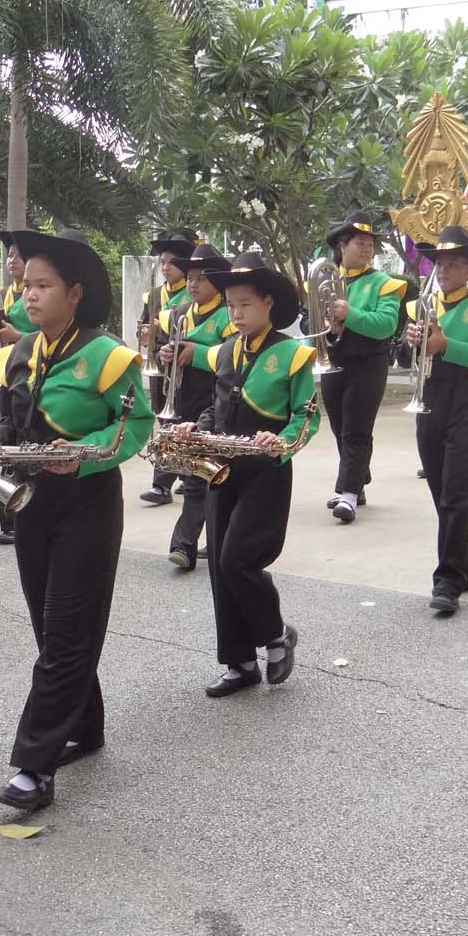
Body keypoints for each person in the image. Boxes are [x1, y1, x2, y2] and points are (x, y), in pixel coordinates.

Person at [0, 228, 153, 813]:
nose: (29, 294)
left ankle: (34, 766)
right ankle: (85, 728)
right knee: (50, 629)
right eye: (26, 284)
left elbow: (137, 426)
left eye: (43, 285)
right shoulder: (22, 352)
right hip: (31, 502)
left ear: (75, 293)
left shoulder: (108, 356)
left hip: (88, 503)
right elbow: (16, 425)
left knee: (68, 630)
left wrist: (85, 454)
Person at [189, 251, 319, 694]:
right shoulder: (225, 351)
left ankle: (276, 635)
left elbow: (307, 416)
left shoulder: (294, 354)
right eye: (231, 305)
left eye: (245, 304)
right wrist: (198, 427)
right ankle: (240, 663)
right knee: (218, 568)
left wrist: (282, 441)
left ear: (268, 303)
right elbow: (216, 408)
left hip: (265, 471)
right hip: (221, 467)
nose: (236, 313)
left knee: (237, 560)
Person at [404, 227, 468, 614]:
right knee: (439, 488)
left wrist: (446, 344)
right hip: (431, 397)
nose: (443, 270)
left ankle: (447, 579)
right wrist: (411, 344)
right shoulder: (422, 305)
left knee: (457, 492)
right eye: (440, 264)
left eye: (453, 264)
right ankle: (467, 564)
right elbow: (407, 360)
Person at [156, 243, 235, 572]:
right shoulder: (178, 314)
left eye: (201, 278)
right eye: (190, 277)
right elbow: (166, 352)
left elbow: (233, 357)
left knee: (199, 479)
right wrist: (164, 355)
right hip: (183, 402)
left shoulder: (227, 317)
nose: (193, 284)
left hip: (215, 402)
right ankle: (204, 540)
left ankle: (184, 544)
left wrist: (196, 353)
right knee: (197, 475)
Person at [322, 211, 403, 523]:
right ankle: (356, 483)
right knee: (339, 427)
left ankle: (348, 494)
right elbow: (309, 319)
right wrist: (326, 325)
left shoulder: (383, 283)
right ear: (342, 246)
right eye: (360, 243)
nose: (367, 249)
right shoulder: (327, 280)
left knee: (356, 429)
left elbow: (386, 325)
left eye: (370, 244)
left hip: (368, 363)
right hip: (334, 360)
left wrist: (350, 314)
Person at [137, 228, 197, 506]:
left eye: (171, 262)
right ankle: (178, 476)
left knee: (181, 421)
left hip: (182, 362)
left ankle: (163, 483)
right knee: (165, 419)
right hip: (158, 364)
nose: (165, 267)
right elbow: (143, 326)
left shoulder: (191, 293)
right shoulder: (153, 295)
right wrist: (144, 333)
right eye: (162, 262)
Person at [0, 233, 35, 545]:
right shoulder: (2, 295)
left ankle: (26, 515)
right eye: (9, 255)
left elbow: (47, 336)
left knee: (25, 443)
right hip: (5, 375)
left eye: (17, 255)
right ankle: (8, 520)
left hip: (30, 376)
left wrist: (17, 336)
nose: (11, 260)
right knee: (7, 443)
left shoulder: (37, 295)